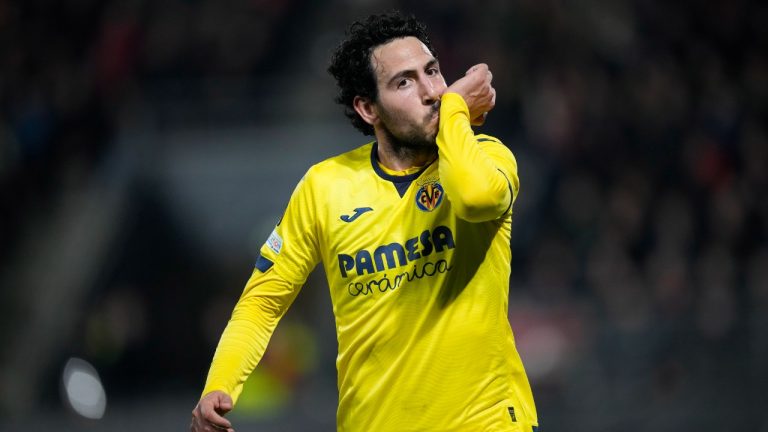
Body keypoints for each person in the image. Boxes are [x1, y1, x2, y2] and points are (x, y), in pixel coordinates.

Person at [191, 10, 539, 432]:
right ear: (368, 107)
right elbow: (262, 302)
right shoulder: (325, 187)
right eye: (404, 82)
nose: (431, 91)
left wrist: (454, 114)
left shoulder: (487, 156)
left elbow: (475, 197)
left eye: (433, 71)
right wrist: (219, 384)